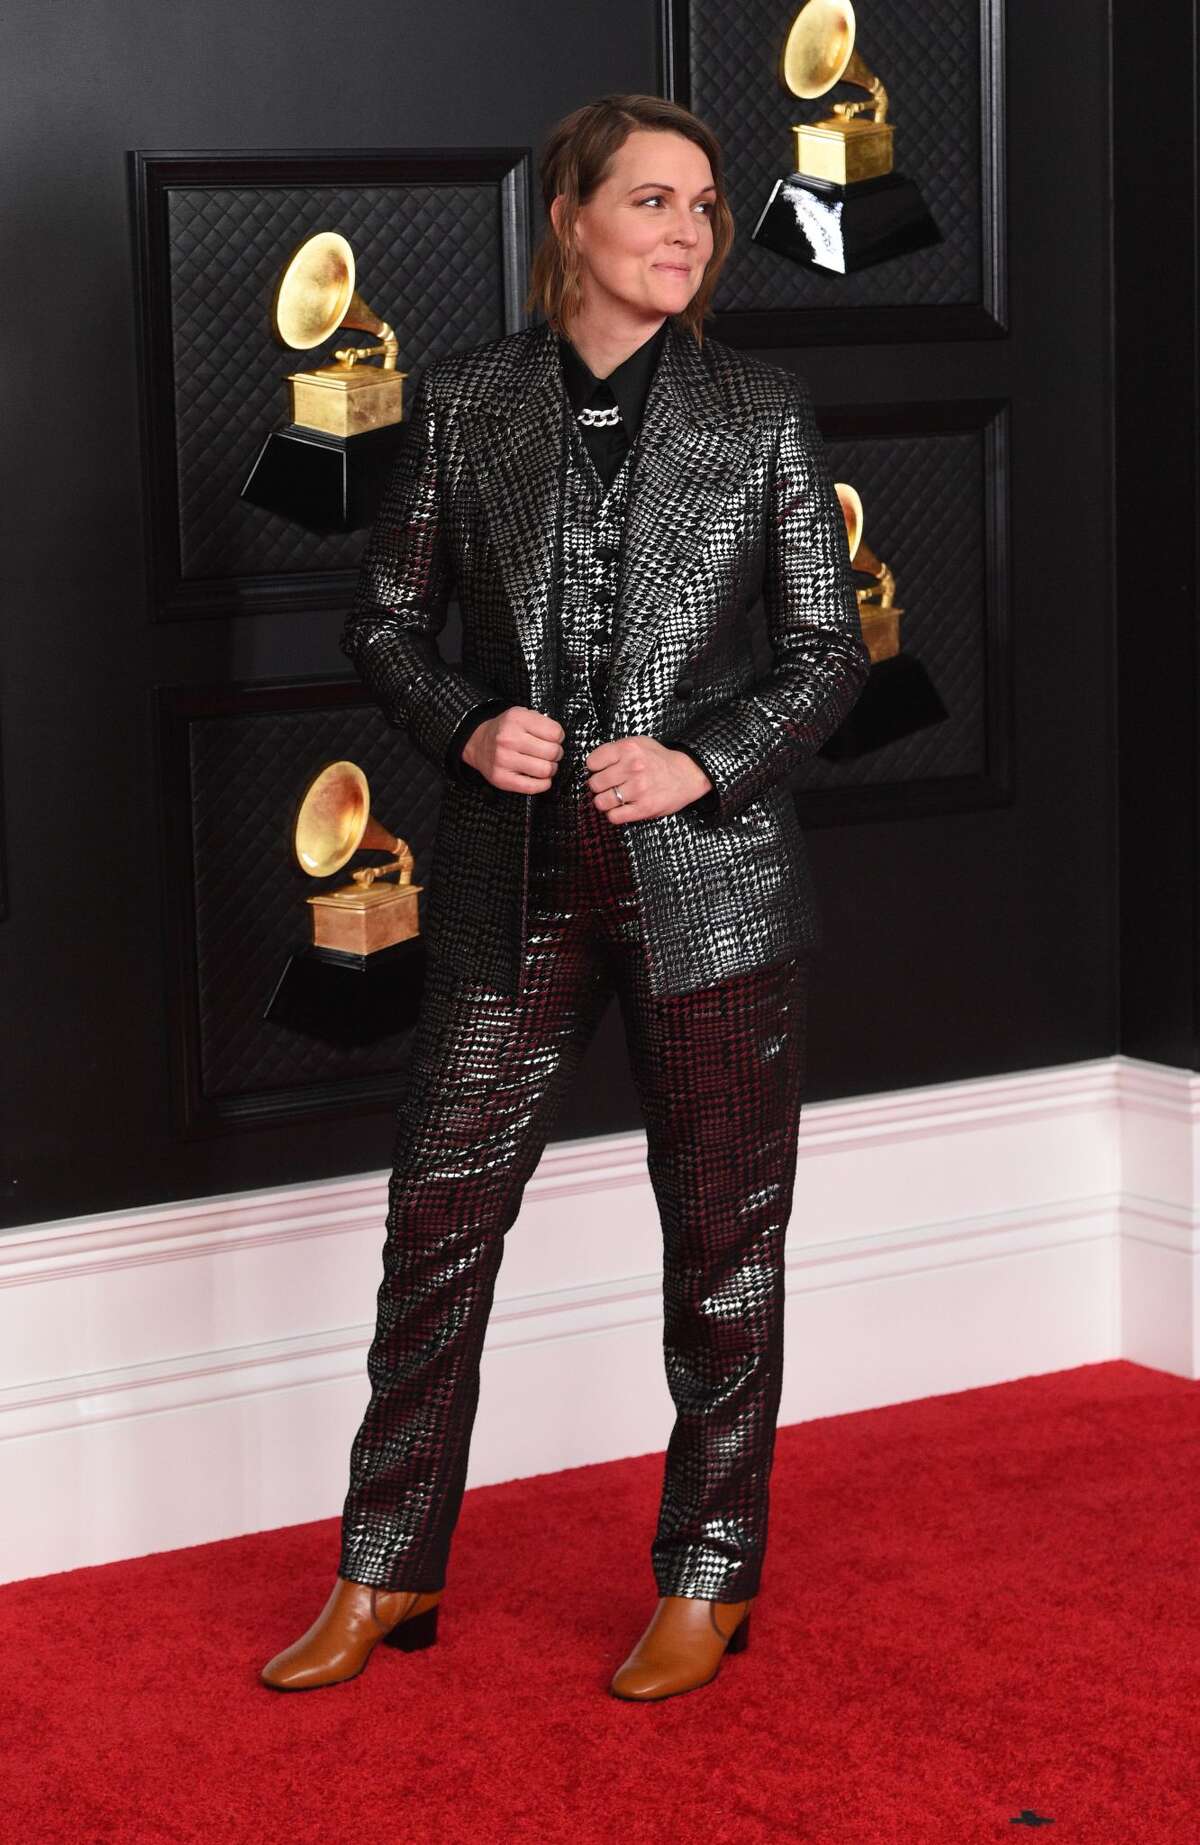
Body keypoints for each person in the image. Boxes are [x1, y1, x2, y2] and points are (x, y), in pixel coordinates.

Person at [260, 92, 869, 1702]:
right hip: (502, 886)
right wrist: (465, 719)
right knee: (437, 1231)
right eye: (654, 201)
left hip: (710, 889)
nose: (686, 231)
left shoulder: (760, 409)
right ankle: (385, 1569)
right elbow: (384, 623)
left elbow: (828, 654)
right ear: (572, 219)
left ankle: (711, 1573)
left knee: (725, 1254)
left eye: (707, 208)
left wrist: (702, 762)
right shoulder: (463, 406)